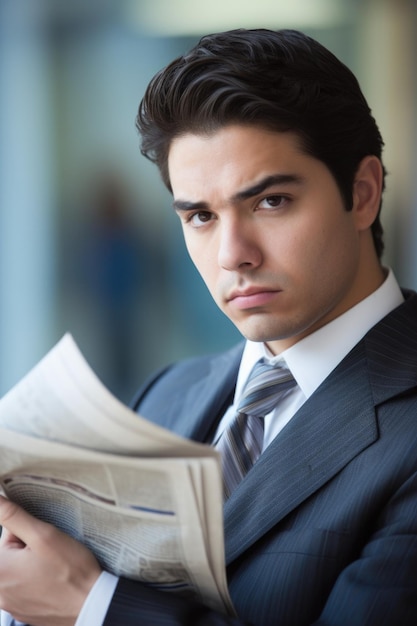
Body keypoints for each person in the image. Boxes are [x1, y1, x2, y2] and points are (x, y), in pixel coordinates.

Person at [1, 27, 417, 626]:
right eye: (200, 215)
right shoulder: (166, 395)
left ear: (363, 193)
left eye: (270, 202)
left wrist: (91, 606)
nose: (232, 254)